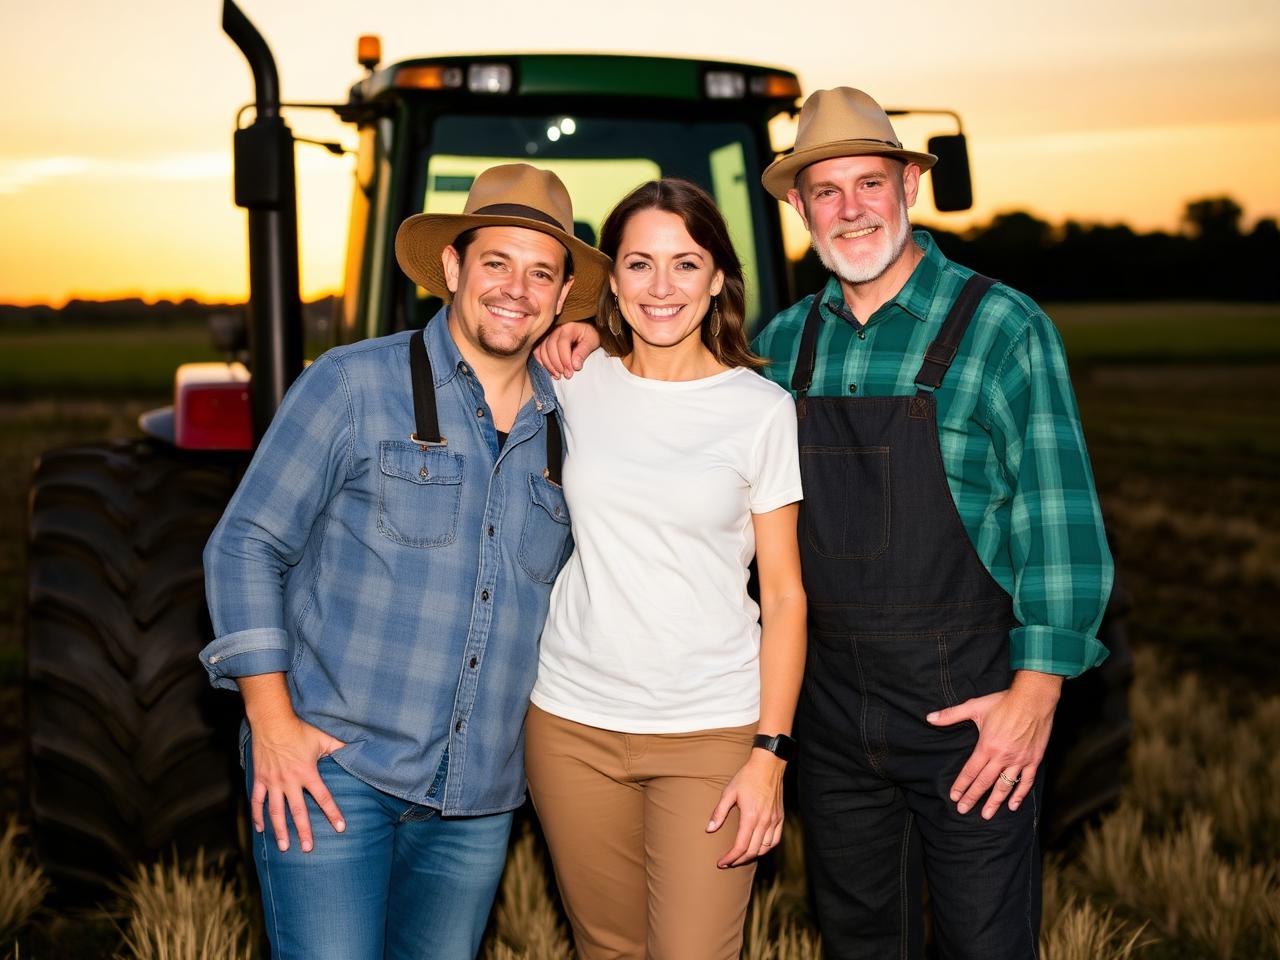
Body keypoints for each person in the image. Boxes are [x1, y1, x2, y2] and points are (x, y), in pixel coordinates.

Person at [537, 89, 1114, 960]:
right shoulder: (790, 341)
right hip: (834, 713)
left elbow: (1060, 516)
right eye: (826, 192)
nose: (850, 210)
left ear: (909, 185)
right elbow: (674, 400)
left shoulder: (1000, 326)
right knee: (857, 938)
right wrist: (580, 329)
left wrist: (1036, 693)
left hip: (966, 704)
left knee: (984, 940)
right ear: (798, 208)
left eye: (869, 183)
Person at [198, 163, 610, 960]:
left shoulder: (575, 427)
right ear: (453, 268)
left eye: (540, 273)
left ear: (562, 298)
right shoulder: (353, 383)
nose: (515, 289)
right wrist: (271, 721)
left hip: (477, 800)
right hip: (333, 771)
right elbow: (245, 544)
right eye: (496, 262)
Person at [524, 178, 807, 960]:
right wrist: (574, 328)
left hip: (711, 731)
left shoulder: (761, 411)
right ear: (610, 278)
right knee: (606, 947)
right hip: (571, 724)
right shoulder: (572, 382)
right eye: (639, 264)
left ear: (718, 276)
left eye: (685, 264)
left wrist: (770, 754)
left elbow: (784, 598)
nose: (661, 287)